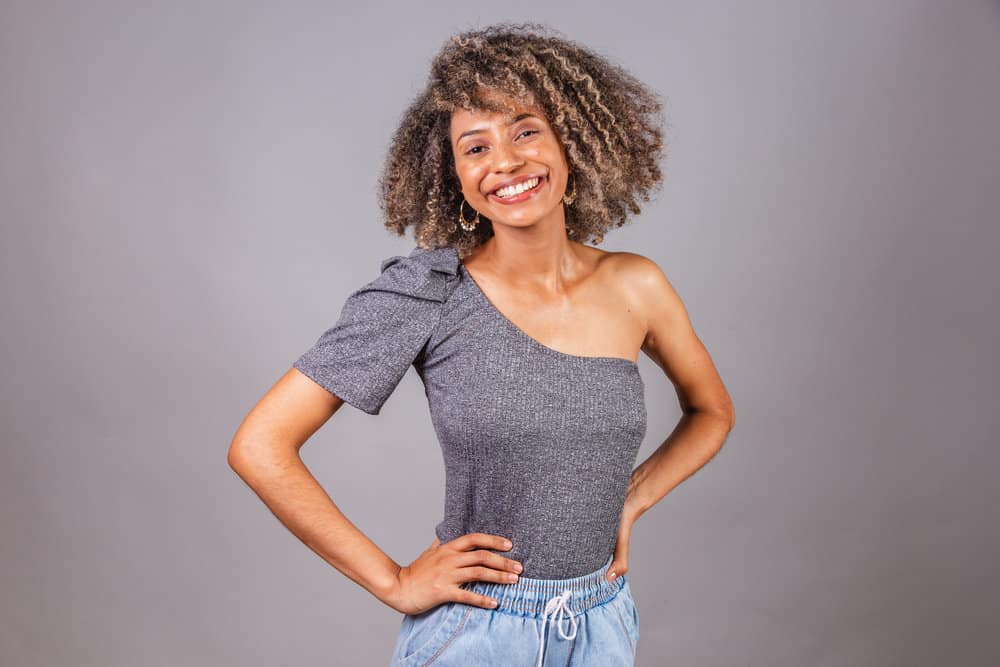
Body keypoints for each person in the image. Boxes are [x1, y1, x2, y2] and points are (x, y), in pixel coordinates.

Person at [228, 22, 735, 667]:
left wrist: (628, 500)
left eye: (526, 130)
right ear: (456, 175)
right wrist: (393, 581)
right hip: (481, 634)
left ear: (570, 141)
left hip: (603, 624)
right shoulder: (430, 291)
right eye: (475, 148)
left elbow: (712, 411)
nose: (505, 162)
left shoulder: (636, 284)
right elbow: (259, 446)